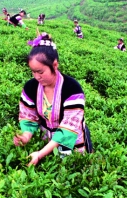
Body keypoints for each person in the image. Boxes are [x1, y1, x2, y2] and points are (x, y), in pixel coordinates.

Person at [13, 32, 92, 166]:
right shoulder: (30, 87)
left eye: (41, 72)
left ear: (54, 65)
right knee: (52, 169)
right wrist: (25, 136)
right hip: (47, 139)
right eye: (33, 71)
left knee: (70, 169)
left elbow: (68, 129)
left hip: (70, 139)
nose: (37, 77)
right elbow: (29, 118)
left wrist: (40, 154)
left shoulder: (72, 89)